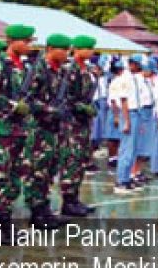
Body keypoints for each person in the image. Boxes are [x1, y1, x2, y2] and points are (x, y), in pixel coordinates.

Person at [0, 25, 34, 238]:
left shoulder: (22, 67)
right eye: (27, 42)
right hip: (0, 129)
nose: (30, 46)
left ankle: (6, 221)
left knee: (13, 177)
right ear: (14, 42)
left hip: (18, 129)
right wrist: (13, 106)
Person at [22, 33, 72, 228]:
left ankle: (44, 209)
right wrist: (49, 109)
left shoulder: (59, 72)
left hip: (52, 129)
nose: (66, 54)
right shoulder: (38, 70)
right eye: (63, 50)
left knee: (49, 170)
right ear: (50, 49)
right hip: (38, 128)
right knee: (36, 171)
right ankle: (36, 213)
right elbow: (27, 98)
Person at [58, 35, 98, 217]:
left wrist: (90, 108)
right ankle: (68, 200)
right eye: (88, 48)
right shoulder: (68, 69)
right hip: (71, 122)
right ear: (78, 49)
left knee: (81, 160)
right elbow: (64, 97)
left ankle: (75, 197)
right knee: (71, 160)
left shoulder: (87, 70)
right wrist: (81, 107)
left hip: (83, 123)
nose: (90, 52)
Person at [109, 57, 142, 194]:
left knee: (132, 149)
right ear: (131, 64)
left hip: (135, 113)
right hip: (128, 113)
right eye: (138, 64)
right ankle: (121, 181)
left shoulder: (133, 78)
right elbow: (123, 101)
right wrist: (127, 121)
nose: (140, 67)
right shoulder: (124, 79)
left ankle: (127, 177)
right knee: (126, 149)